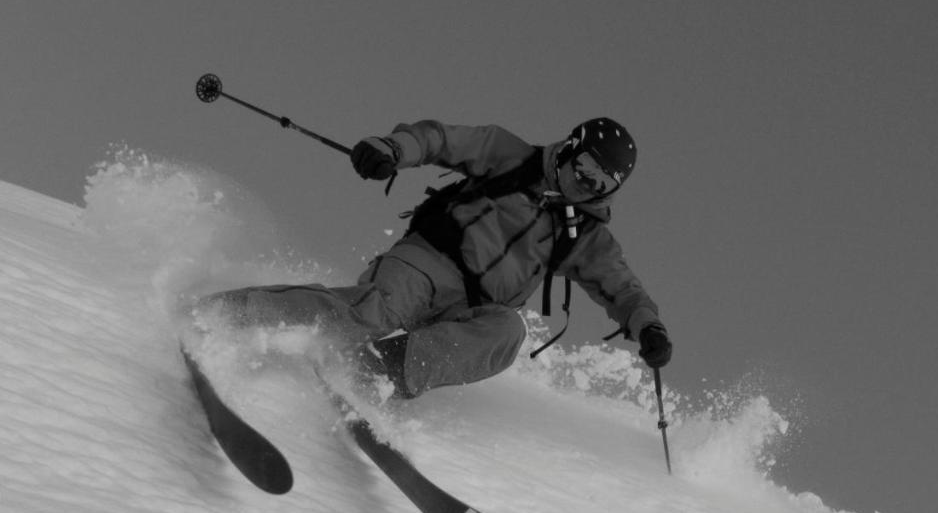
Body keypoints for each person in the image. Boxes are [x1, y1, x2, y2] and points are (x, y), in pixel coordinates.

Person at [197, 117, 671, 398]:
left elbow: (622, 287)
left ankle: (376, 374)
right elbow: (441, 139)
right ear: (570, 150)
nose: (584, 185)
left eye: (601, 184)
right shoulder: (510, 156)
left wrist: (649, 326)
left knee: (507, 333)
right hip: (428, 261)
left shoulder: (585, 235)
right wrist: (391, 149)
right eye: (585, 169)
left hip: (472, 308)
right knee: (374, 312)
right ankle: (230, 313)